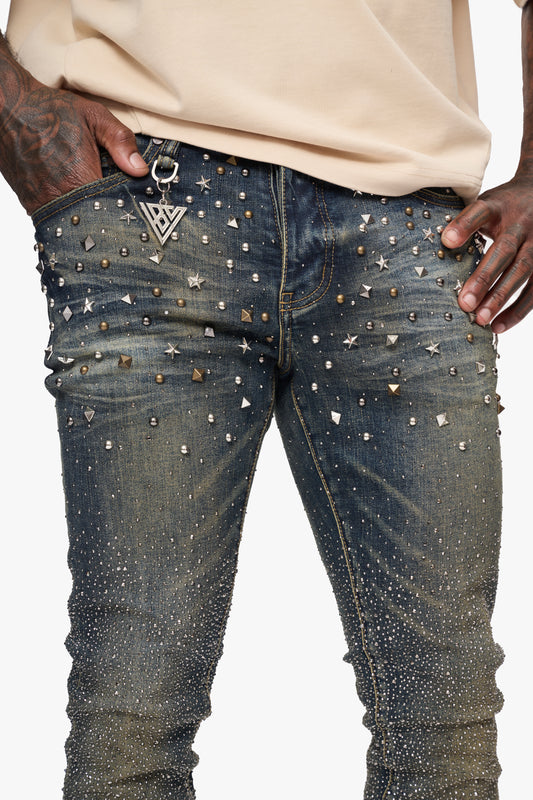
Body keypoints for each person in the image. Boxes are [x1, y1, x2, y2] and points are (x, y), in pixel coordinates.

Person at [0, 2, 531, 799]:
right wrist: (10, 102)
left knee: (443, 719)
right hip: (150, 197)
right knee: (133, 705)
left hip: (411, 220)